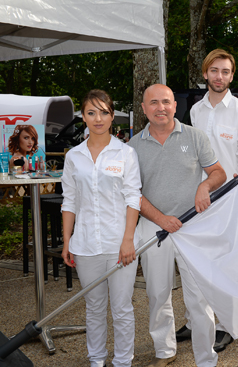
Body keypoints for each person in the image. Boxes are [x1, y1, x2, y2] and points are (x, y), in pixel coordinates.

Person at [128, 84, 227, 367]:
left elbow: (218, 172)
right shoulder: (132, 147)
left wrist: (205, 185)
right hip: (152, 227)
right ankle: (165, 351)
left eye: (166, 102)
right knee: (158, 293)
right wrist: (161, 219)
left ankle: (206, 358)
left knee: (198, 298)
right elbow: (132, 192)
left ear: (175, 105)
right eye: (154, 103)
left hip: (192, 227)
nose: (161, 108)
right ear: (144, 108)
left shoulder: (195, 137)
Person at [176, 48, 238, 349]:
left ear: (231, 76)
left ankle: (227, 325)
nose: (219, 76)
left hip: (228, 201)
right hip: (196, 199)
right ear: (205, 73)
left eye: (225, 71)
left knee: (226, 265)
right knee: (194, 262)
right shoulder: (196, 111)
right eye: (214, 70)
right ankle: (195, 320)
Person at [61, 89, 142, 367]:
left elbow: (134, 197)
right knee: (94, 308)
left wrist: (128, 239)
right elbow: (69, 201)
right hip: (85, 245)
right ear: (83, 116)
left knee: (121, 308)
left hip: (119, 243)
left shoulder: (126, 153)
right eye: (91, 112)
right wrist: (66, 241)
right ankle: (96, 361)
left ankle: (122, 362)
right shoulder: (73, 156)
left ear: (112, 116)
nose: (98, 119)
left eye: (104, 112)